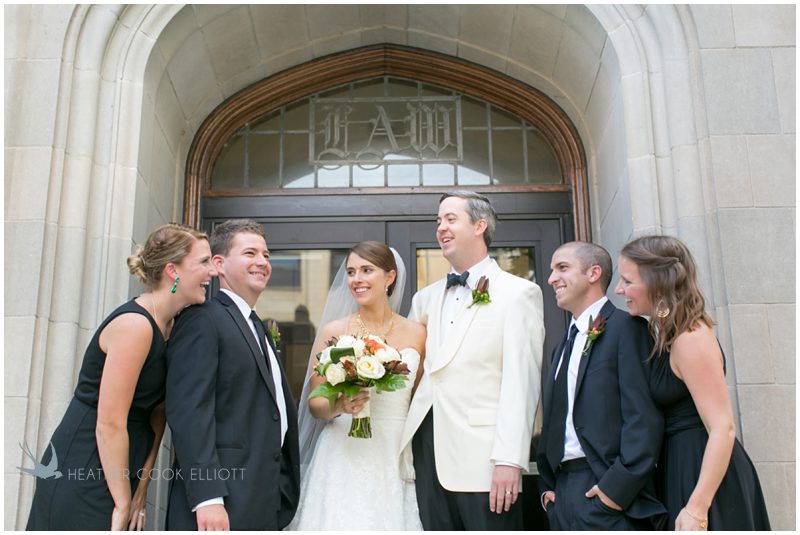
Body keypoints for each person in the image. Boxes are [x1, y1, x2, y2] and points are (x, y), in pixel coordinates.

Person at [26, 224, 216, 530]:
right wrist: (122, 501)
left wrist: (141, 488)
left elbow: (158, 414)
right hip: (86, 463)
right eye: (203, 262)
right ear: (173, 270)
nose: (212, 272)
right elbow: (109, 422)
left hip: (125, 466)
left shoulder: (174, 327)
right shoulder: (135, 326)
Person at [398, 191, 545, 530]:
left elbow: (521, 384)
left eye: (450, 219)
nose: (441, 228)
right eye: (438, 221)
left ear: (480, 225)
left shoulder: (518, 293)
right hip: (427, 451)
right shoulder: (425, 298)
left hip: (485, 460)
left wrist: (510, 460)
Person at [617, 235, 771, 530]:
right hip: (680, 464)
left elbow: (722, 428)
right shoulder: (666, 331)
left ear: (657, 281)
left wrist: (697, 508)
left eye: (627, 280)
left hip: (703, 474)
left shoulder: (690, 338)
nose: (619, 289)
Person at [164, 219, 300, 530]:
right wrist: (207, 497)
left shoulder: (259, 328)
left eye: (266, 255)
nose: (262, 262)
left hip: (262, 501)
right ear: (219, 264)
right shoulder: (203, 320)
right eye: (250, 253)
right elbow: (189, 413)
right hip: (220, 502)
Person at [288, 241, 426, 530]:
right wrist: (338, 405)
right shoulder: (335, 331)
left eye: (366, 270)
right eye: (351, 272)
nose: (356, 279)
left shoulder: (417, 334)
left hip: (393, 451)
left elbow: (421, 399)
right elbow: (315, 403)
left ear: (389, 277)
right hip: (342, 450)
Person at [536, 241, 666, 530]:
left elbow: (642, 418)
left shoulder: (626, 329)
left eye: (562, 268)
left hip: (606, 493)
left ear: (593, 273)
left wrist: (614, 492)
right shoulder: (561, 347)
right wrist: (548, 490)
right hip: (562, 495)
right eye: (551, 270)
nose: (551, 278)